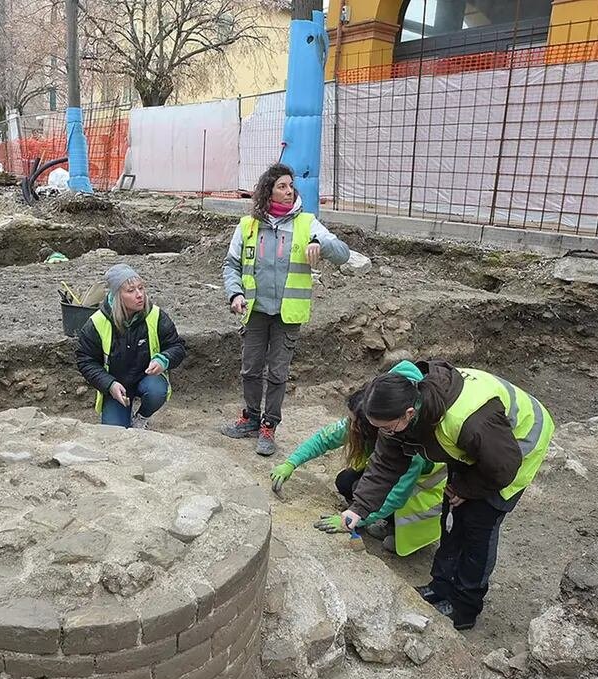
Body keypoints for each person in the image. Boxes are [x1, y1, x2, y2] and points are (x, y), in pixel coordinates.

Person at [341, 361, 555, 631]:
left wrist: (467, 489)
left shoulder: (467, 420)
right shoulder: (400, 411)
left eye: (386, 427)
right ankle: (440, 587)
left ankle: (465, 607)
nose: (383, 432)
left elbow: (503, 468)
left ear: (408, 413)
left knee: (478, 526)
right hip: (475, 450)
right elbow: (385, 464)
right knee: (452, 518)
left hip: (516, 446)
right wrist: (358, 508)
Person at [221, 162, 350, 456]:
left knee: (278, 373)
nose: (289, 191)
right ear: (268, 191)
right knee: (251, 369)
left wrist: (322, 244)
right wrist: (235, 294)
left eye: (291, 186)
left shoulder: (307, 224)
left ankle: (269, 425)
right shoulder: (248, 226)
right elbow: (231, 265)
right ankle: (251, 418)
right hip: (254, 311)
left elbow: (342, 254)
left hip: (288, 315)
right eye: (282, 186)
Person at [269, 362, 447, 557]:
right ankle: (380, 518)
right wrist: (290, 463)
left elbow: (397, 494)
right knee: (346, 482)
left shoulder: (406, 444)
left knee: (388, 528)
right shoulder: (374, 423)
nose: (349, 425)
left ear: (372, 425)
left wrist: (358, 519)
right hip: (396, 476)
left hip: (423, 492)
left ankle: (395, 528)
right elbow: (323, 439)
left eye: (353, 421)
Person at [76, 264, 186, 430]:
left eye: (141, 288)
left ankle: (141, 418)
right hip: (117, 385)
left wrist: (163, 360)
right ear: (117, 295)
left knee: (156, 391)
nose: (139, 295)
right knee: (113, 431)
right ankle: (120, 411)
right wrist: (109, 385)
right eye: (131, 290)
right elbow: (86, 361)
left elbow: (177, 346)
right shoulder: (97, 323)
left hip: (147, 379)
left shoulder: (155, 315)